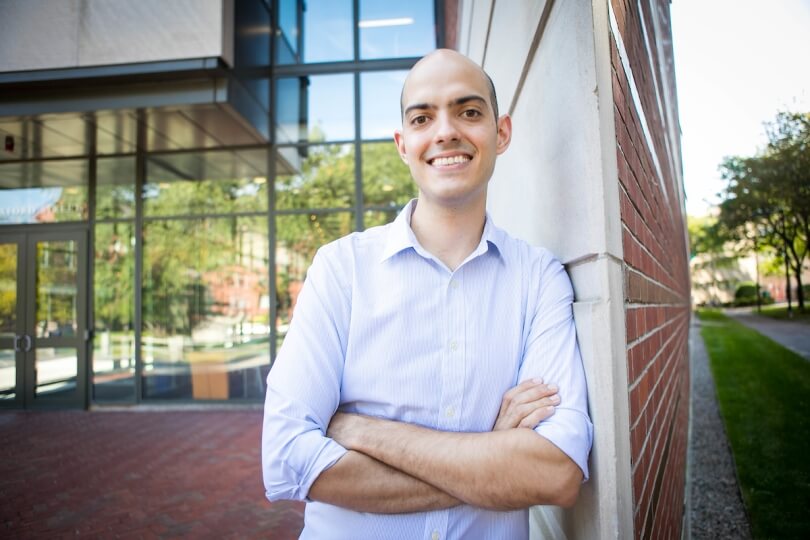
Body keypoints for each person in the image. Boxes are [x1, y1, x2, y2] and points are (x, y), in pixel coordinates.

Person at [262, 49, 593, 540]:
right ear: (403, 143)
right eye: (423, 117)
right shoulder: (341, 269)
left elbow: (555, 473)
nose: (446, 132)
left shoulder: (539, 277)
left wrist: (360, 431)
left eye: (469, 111)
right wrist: (490, 456)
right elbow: (289, 456)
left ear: (501, 133)